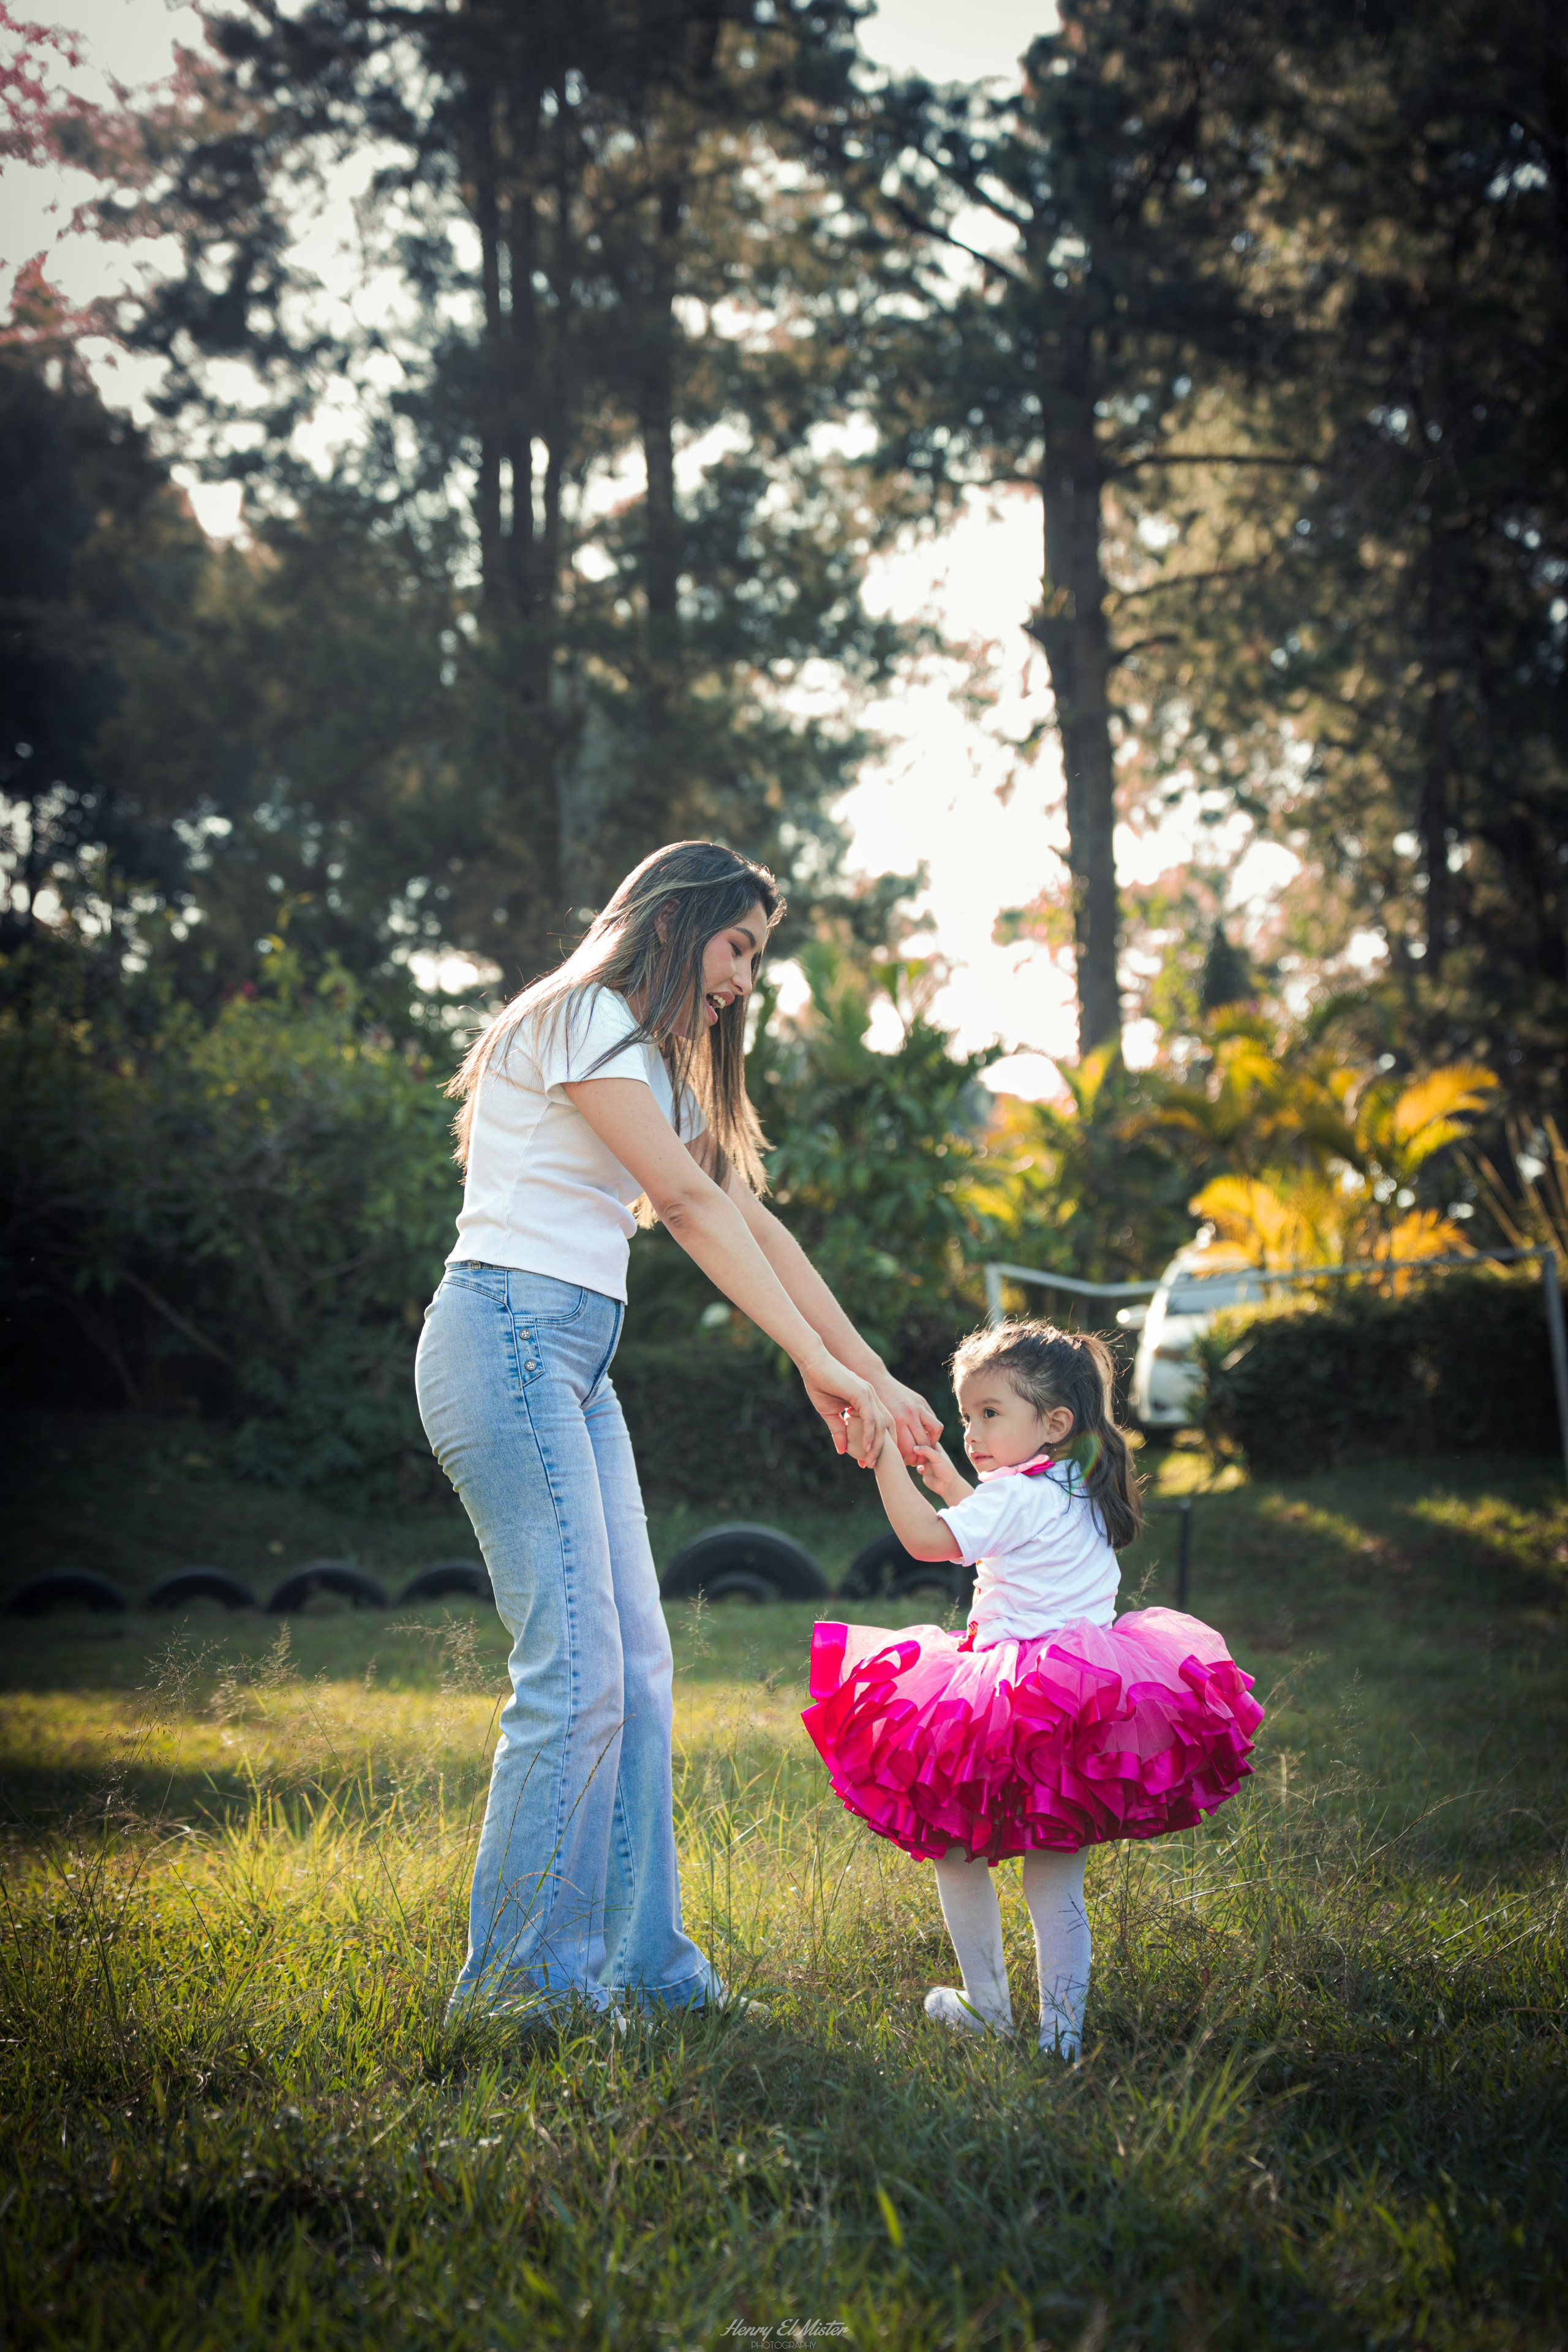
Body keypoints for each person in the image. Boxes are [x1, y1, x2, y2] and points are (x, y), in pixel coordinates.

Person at [416, 839, 941, 2022]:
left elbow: (753, 1220)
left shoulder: (649, 1065)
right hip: (503, 1338)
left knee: (639, 1673)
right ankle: (519, 1994)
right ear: (674, 921)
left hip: (573, 1363)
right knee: (579, 1672)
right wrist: (810, 1365)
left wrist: (869, 1373)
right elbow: (694, 1211)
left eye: (762, 953)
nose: (748, 978)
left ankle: (649, 1976)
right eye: (740, 944)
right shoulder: (577, 1016)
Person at [803, 1319, 1262, 2057]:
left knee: (956, 1851)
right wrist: (951, 1478)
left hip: (1009, 1695)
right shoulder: (1076, 1483)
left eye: (990, 1414)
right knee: (1055, 1879)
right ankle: (1060, 2036)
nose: (972, 1431)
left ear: (1054, 1422)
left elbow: (930, 1542)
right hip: (1081, 1700)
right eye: (966, 1416)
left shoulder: (1017, 1497)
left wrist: (886, 1454)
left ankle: (987, 2007)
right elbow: (997, 1528)